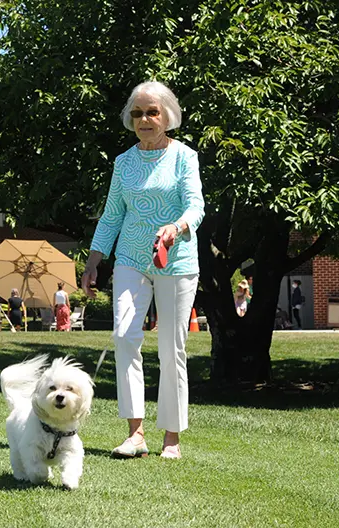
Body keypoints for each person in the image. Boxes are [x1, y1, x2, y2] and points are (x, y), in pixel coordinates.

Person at [82, 81, 204, 460]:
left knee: (172, 348)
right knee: (124, 335)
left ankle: (172, 437)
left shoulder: (185, 156)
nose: (145, 119)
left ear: (168, 115)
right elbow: (113, 215)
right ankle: (135, 434)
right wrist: (93, 261)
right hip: (132, 259)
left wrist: (176, 228)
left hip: (176, 261)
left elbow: (195, 206)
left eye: (152, 112)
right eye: (137, 113)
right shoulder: (124, 162)